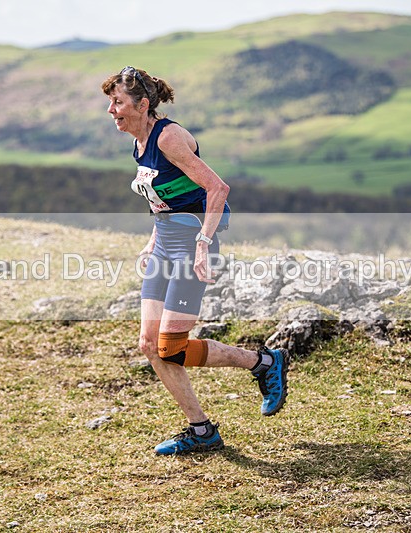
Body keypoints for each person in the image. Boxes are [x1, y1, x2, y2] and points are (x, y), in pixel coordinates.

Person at [101, 66, 290, 456]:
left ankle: (263, 362)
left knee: (171, 346)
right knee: (149, 345)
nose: (111, 110)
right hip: (166, 246)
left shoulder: (168, 137)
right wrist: (153, 239)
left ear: (143, 104)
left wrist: (204, 243)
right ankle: (202, 431)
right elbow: (167, 197)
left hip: (190, 246)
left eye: (118, 102)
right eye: (111, 102)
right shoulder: (138, 143)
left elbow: (217, 188)